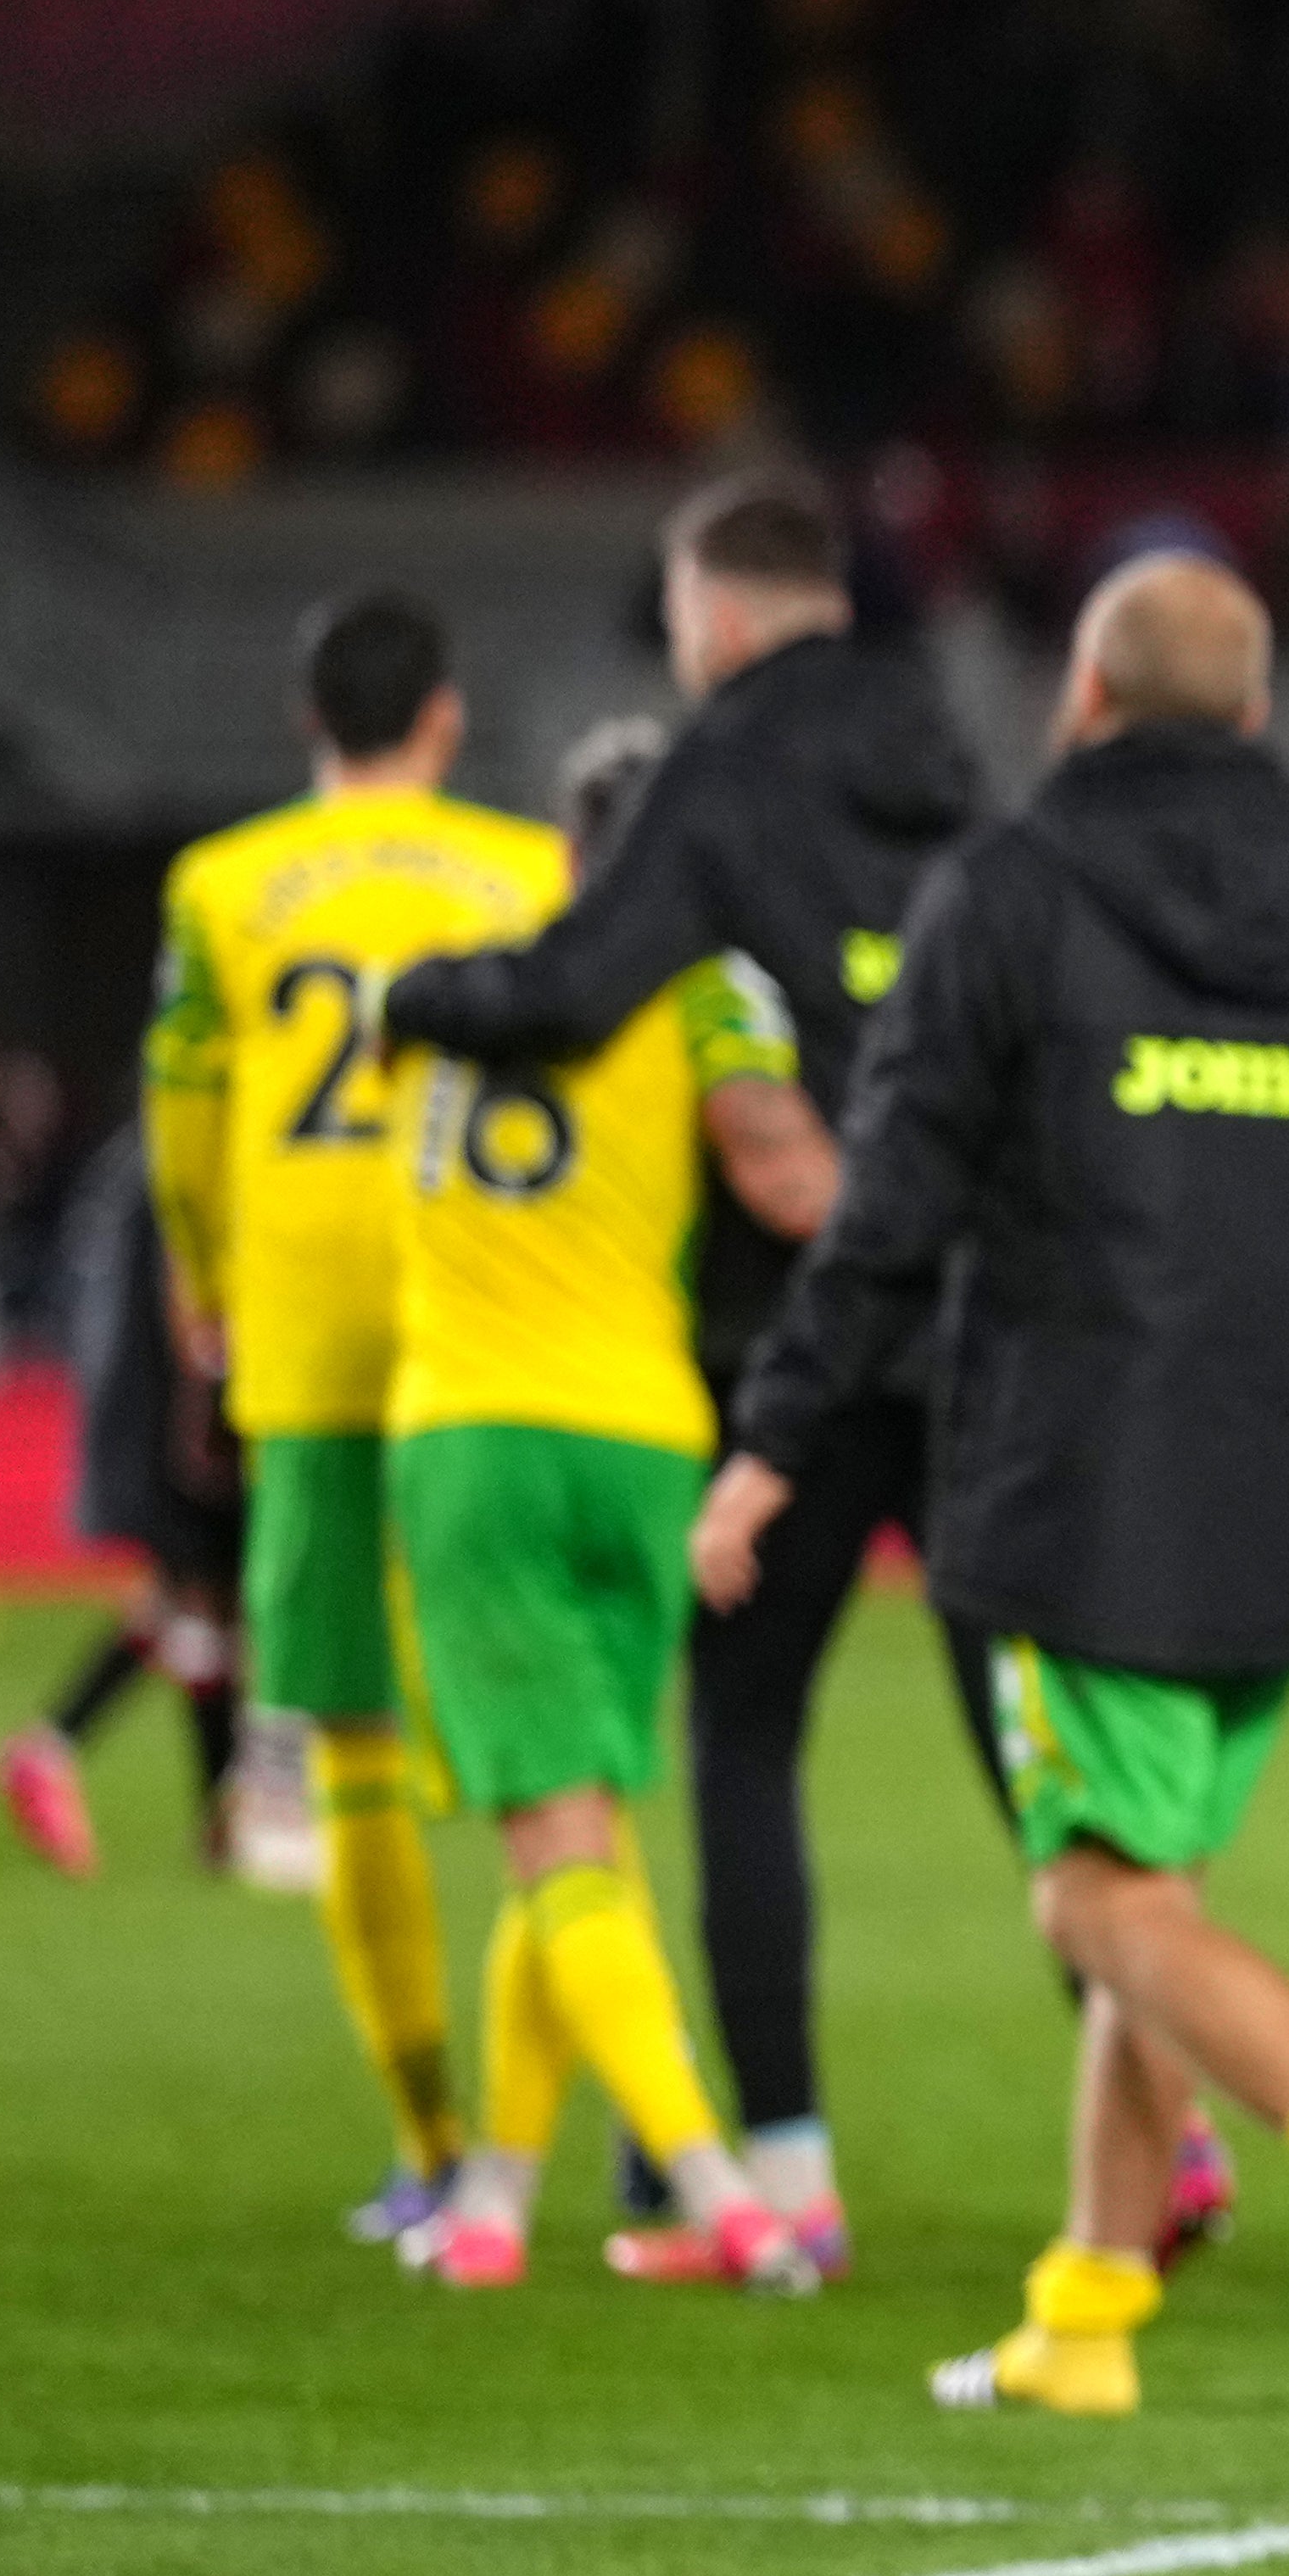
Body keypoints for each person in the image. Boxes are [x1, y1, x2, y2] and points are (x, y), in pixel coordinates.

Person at [696, 556, 1289, 2426]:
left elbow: (888, 1206)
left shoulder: (1013, 889)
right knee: (1158, 1894)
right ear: (1261, 715)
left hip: (1064, 1474)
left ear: (1085, 701)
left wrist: (773, 1439)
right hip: (1286, 1469)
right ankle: (1087, 2308)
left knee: (1099, 1907)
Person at [377, 466, 996, 2271]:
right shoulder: (946, 768)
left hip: (671, 1374)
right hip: (894, 1347)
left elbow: (571, 1001)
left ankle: (742, 2175)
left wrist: (419, 997)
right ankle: (1162, 2132)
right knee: (1037, 1748)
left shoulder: (672, 876)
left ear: (709, 611)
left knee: (675, 1769)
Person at [379, 719, 841, 2299]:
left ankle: (722, 2191)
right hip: (646, 1432)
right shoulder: (710, 987)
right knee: (572, 1827)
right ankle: (496, 2200)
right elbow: (786, 1177)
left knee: (555, 1828)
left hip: (474, 1431)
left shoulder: (467, 976)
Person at [141, 593, 560, 2224]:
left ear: (305, 719)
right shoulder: (530, 872)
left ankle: (428, 2139)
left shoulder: (222, 885)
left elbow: (182, 1112)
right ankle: (620, 2113)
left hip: (310, 1348)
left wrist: (200, 1284)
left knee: (355, 1755)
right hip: (496, 1331)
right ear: (442, 719)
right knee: (552, 1748)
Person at [0, 1129, 247, 1881]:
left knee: (197, 1603)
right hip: (181, 1407)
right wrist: (203, 1394)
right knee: (203, 1598)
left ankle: (218, 1812)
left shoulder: (148, 1144)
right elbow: (186, 1277)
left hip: (155, 1401)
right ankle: (215, 1810)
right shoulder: (189, 1148)